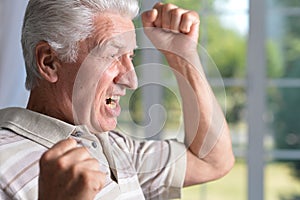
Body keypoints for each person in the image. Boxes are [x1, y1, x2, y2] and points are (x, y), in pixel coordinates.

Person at [0, 0, 235, 199]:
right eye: (112, 54)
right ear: (49, 62)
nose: (131, 80)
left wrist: (182, 55)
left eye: (130, 56)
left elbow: (213, 161)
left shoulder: (117, 146)